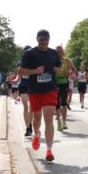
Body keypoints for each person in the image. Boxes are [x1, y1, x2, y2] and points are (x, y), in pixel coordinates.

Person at [18, 30, 61, 162]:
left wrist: (56, 69)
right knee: (37, 118)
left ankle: (49, 150)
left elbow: (59, 68)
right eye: (41, 39)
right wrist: (35, 71)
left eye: (46, 39)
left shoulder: (54, 53)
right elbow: (20, 71)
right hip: (35, 90)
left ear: (49, 39)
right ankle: (36, 134)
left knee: (48, 118)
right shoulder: (29, 54)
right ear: (37, 39)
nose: (43, 42)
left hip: (50, 89)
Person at [54, 45, 74, 131]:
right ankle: (59, 122)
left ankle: (64, 122)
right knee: (57, 104)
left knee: (64, 103)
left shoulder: (67, 60)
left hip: (64, 82)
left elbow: (73, 69)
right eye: (57, 51)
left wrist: (72, 74)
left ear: (63, 52)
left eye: (60, 51)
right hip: (54, 83)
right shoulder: (52, 60)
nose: (59, 53)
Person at [16, 46, 33, 137]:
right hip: (23, 87)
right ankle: (28, 128)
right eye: (26, 52)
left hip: (33, 87)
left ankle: (30, 124)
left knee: (32, 108)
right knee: (26, 107)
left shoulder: (35, 62)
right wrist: (15, 80)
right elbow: (18, 75)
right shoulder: (20, 63)